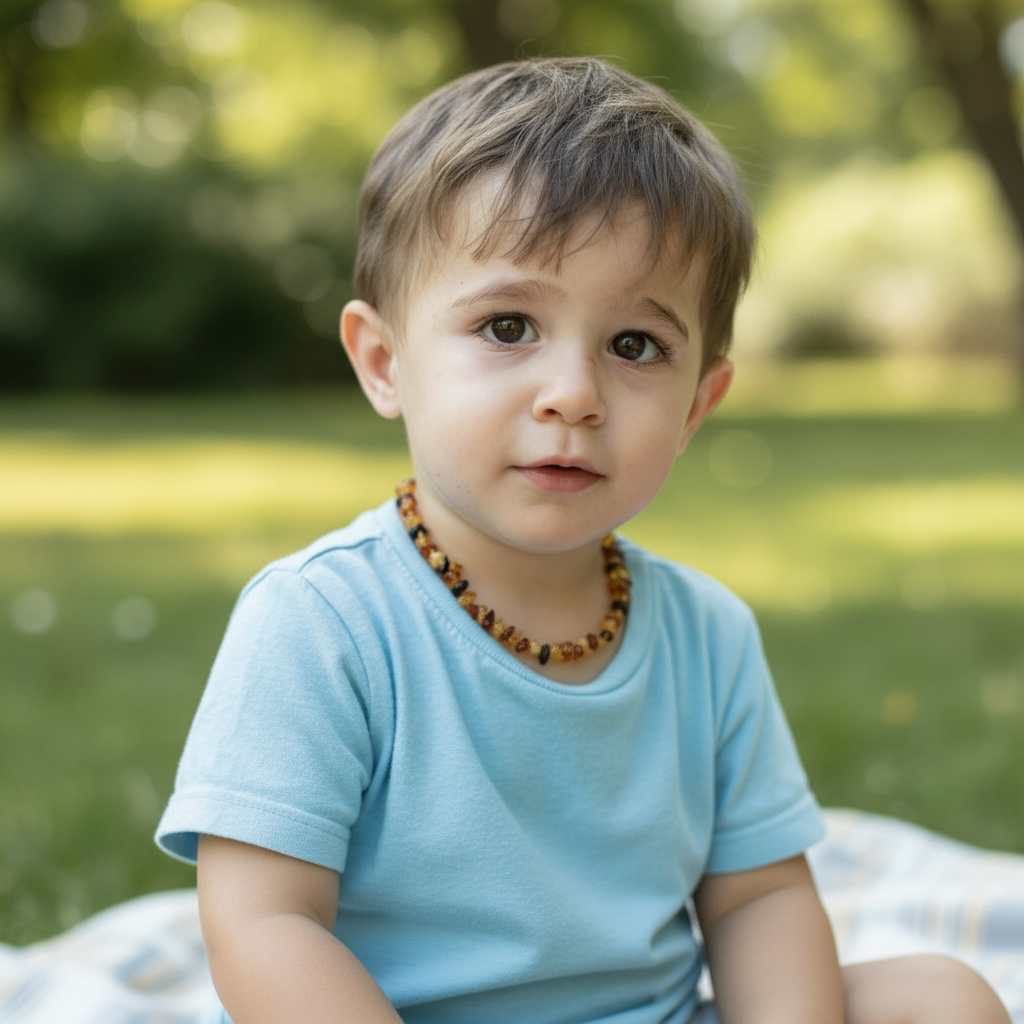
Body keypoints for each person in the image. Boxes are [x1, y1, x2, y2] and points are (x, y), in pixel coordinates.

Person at [156, 57, 1011, 1024]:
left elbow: (759, 898)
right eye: (509, 325)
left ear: (698, 405)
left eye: (634, 346)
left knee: (943, 997)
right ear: (385, 362)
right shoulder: (322, 622)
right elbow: (265, 924)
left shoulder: (706, 635)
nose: (574, 394)